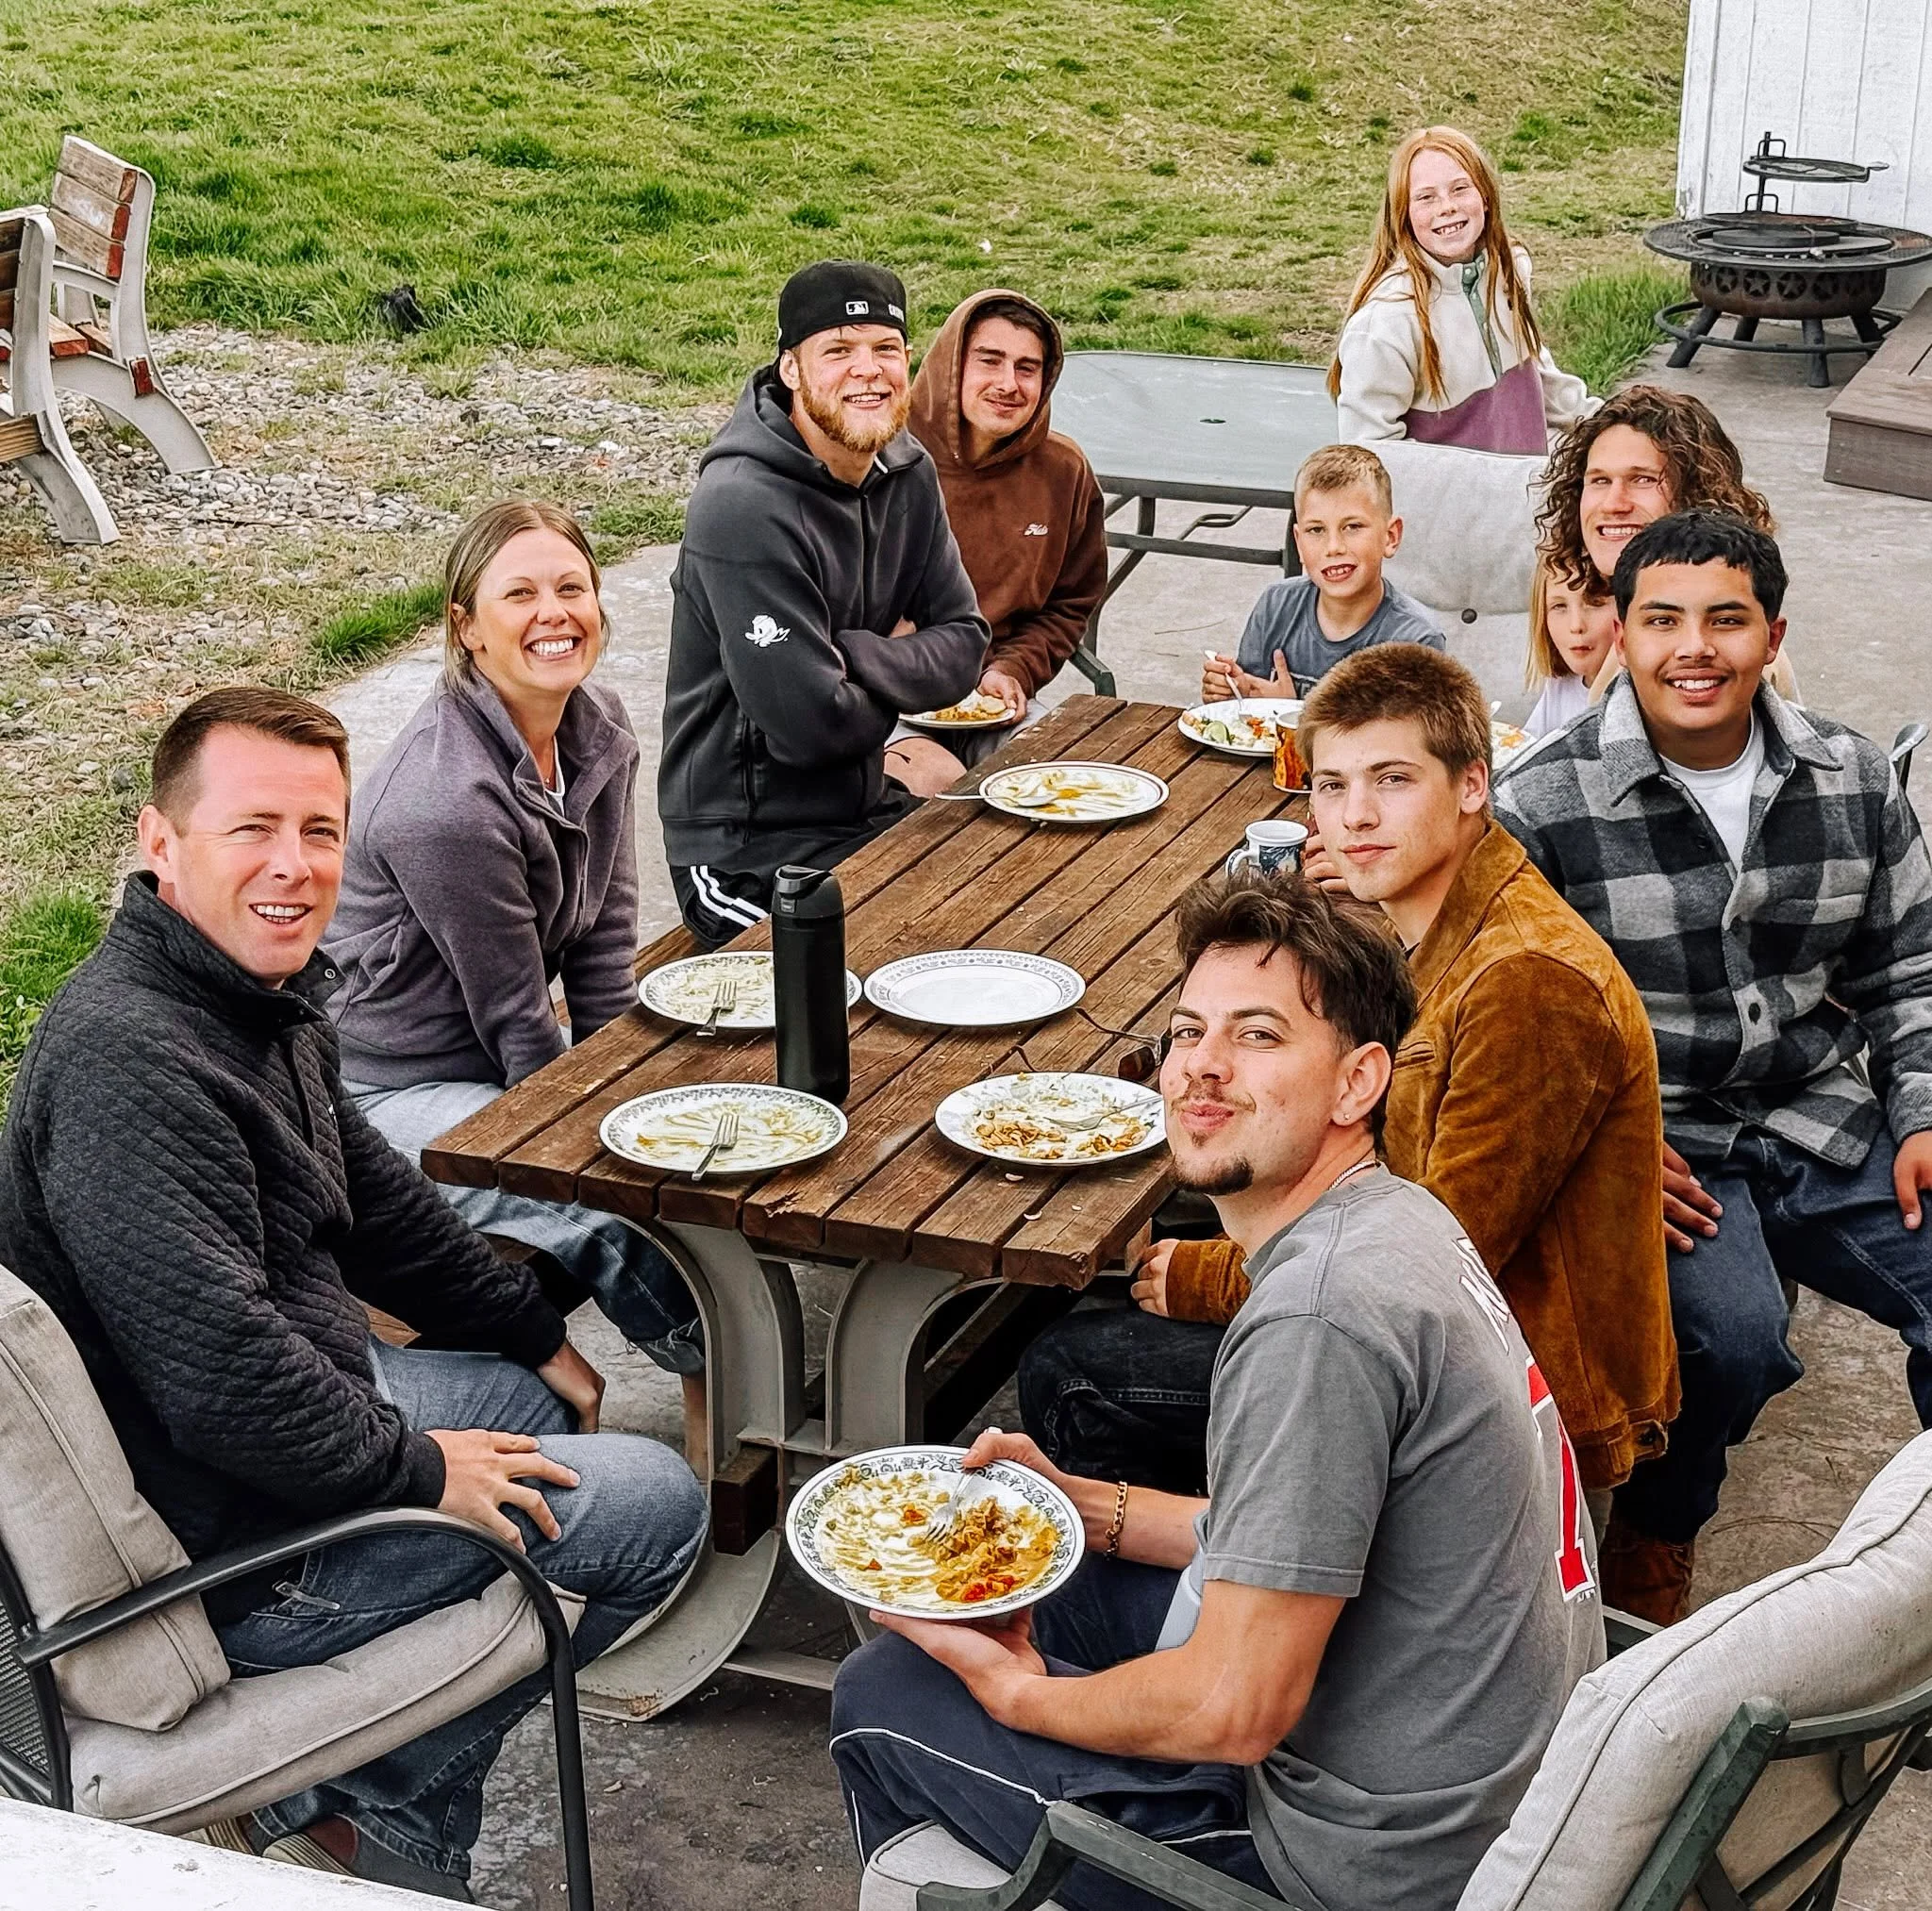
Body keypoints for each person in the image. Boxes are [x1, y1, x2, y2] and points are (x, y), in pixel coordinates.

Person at [0, 688, 708, 1898]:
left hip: (272, 1436)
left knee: (529, 1403)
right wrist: (420, 1474)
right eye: (253, 827)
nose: (295, 866)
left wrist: (531, 1329)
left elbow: (373, 1199)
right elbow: (224, 1379)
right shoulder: (133, 1064)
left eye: (320, 830)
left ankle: (353, 1793)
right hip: (225, 1554)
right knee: (656, 1505)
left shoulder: (247, 995)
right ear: (160, 840)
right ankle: (394, 1822)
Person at [831, 873, 1603, 1911]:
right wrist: (1087, 1506)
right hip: (1485, 1792)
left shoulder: (1314, 1320)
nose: (1201, 1063)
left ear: (1357, 1083)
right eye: (1189, 1031)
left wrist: (1021, 1697)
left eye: (1257, 1036)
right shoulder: (1402, 1220)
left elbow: (1234, 1709)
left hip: (1356, 1868)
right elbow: (1305, 1533)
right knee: (1015, 1580)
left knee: (884, 1690)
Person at [1022, 648, 1676, 1548]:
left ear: (1473, 785)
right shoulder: (1446, 920)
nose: (1355, 816)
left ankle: (1235, 1574)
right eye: (1331, 786)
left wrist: (1211, 1277)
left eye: (1392, 780)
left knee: (1070, 1367)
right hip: (1441, 1328)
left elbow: (1437, 1259)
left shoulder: (1527, 980)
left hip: (1511, 1394)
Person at [1494, 509, 1932, 1623]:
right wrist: (1596, 1158)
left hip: (1821, 1117)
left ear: (1771, 636)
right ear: (1619, 634)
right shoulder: (1539, 804)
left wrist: (1921, 1110)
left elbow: (1908, 968)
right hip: (1660, 1142)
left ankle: (1918, 1570)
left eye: (1724, 620)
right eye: (1662, 620)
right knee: (1728, 1340)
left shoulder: (1851, 778)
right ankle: (1657, 1533)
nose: (1693, 647)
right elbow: (1510, 1030)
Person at [324, 500, 700, 1376]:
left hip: (492, 1056)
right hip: (381, 1095)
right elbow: (517, 1021)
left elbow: (604, 937)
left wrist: (628, 1081)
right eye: (519, 594)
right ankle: (720, 1382)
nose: (553, 614)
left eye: (571, 588)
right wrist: (597, 1133)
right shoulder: (444, 801)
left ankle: (746, 1382)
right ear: (467, 627)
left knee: (696, 1127)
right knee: (611, 1204)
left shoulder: (597, 727)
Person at [658, 259, 990, 946]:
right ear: (791, 369)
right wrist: (900, 659)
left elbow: (965, 645)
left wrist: (850, 655)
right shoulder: (741, 504)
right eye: (838, 350)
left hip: (861, 808)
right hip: (744, 853)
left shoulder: (908, 471)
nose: (868, 370)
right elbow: (811, 728)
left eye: (885, 349)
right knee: (875, 970)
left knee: (1010, 895)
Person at [906, 289, 1108, 758]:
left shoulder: (1063, 470)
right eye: (989, 361)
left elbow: (1069, 605)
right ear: (950, 365)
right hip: (884, 700)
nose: (1008, 384)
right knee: (930, 781)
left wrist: (1014, 670)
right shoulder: (883, 457)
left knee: (1051, 774)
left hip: (992, 701)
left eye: (1027, 368)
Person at [1329, 126, 1596, 452]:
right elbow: (1368, 455)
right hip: (1453, 489)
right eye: (1426, 197)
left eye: (1460, 189)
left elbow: (1537, 375)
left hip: (1526, 481)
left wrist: (1613, 423)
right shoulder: (1385, 325)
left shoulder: (1509, 271)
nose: (1447, 207)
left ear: (1485, 196)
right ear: (1404, 215)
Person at [1200, 443, 1441, 704]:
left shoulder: (1415, 641)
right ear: (1298, 543)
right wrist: (1234, 691)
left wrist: (1288, 712)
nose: (1334, 547)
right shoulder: (1276, 606)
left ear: (1390, 537)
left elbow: (1403, 731)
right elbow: (1245, 715)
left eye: (1352, 526)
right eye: (1316, 530)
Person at [1524, 555, 1619, 739]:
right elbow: (1526, 747)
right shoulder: (1559, 686)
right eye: (1559, 606)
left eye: (1595, 603)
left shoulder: (1636, 700)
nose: (1576, 625)